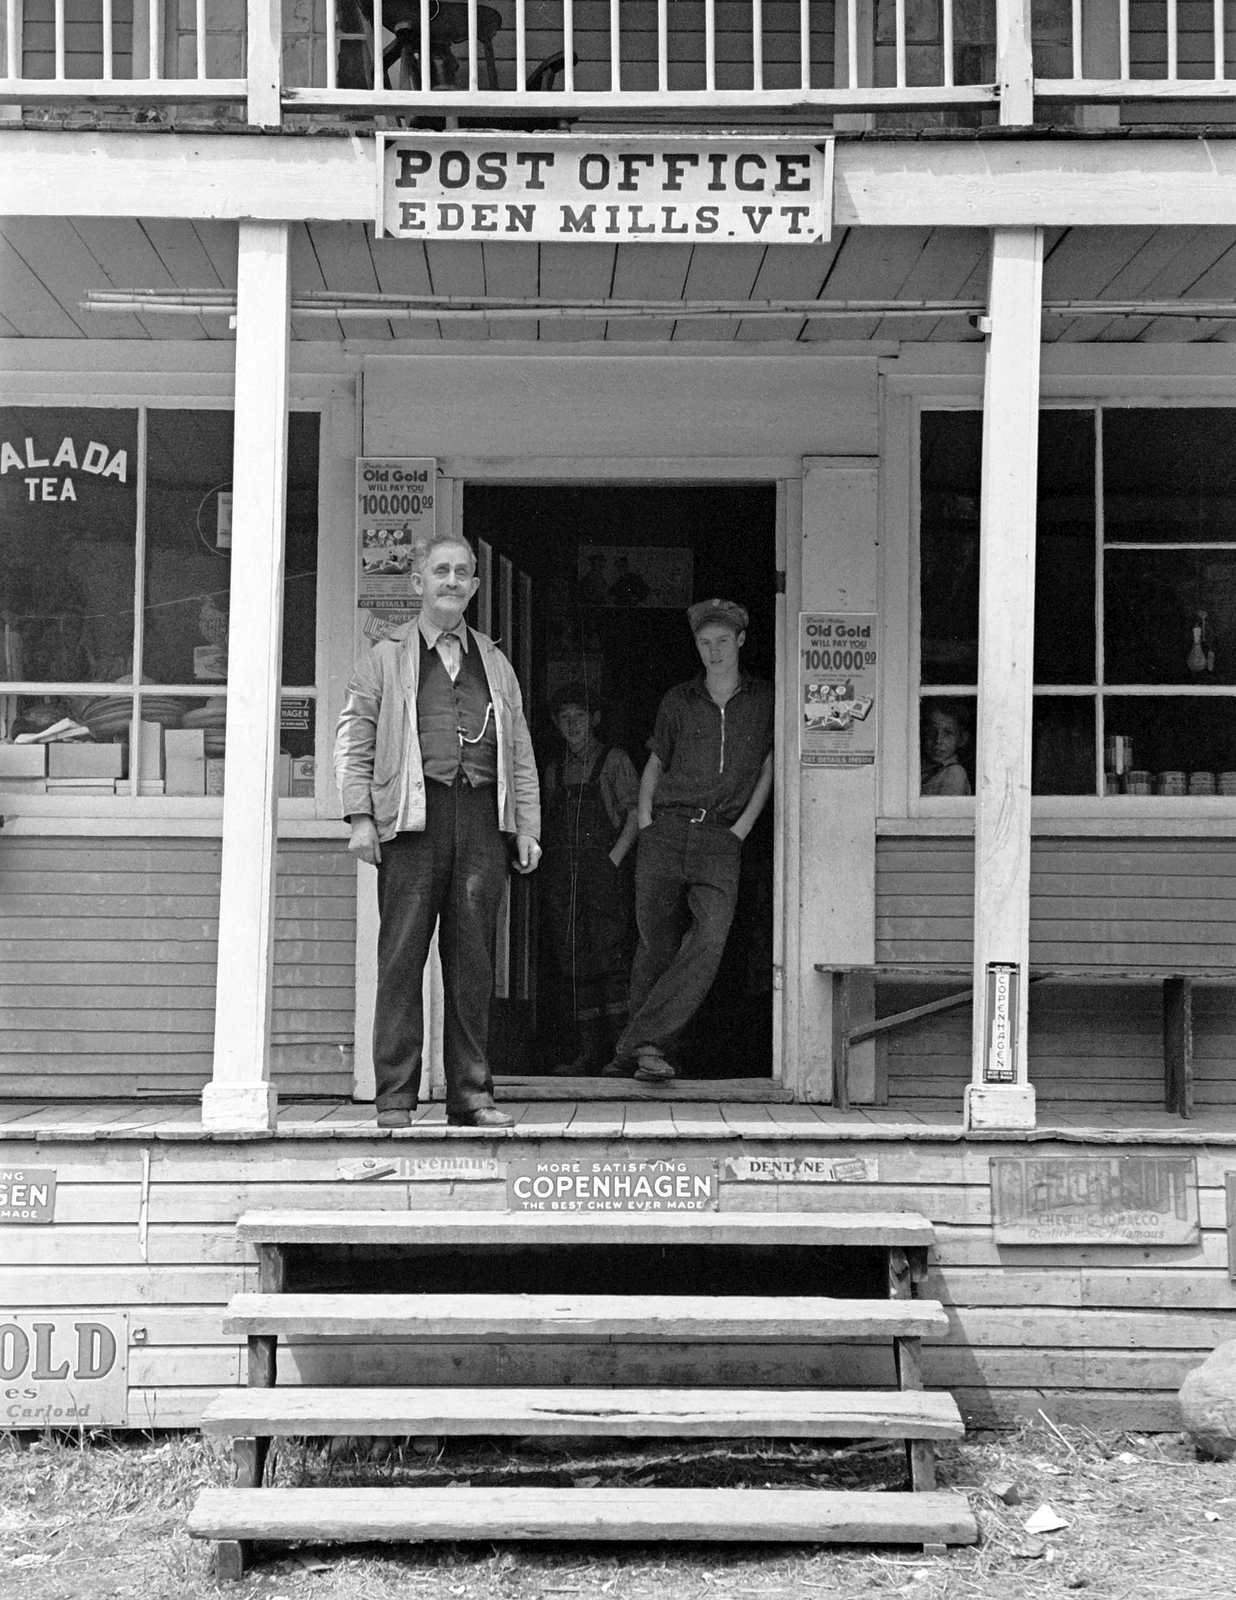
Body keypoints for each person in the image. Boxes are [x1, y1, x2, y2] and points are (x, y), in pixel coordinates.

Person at [334, 533, 541, 1129]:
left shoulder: (495, 663)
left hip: (480, 823)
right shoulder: (384, 656)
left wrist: (525, 826)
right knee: (400, 959)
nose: (451, 581)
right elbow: (355, 741)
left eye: (462, 573)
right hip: (411, 823)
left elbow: (520, 752)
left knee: (473, 964)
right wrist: (360, 818)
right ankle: (395, 1097)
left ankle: (472, 1096)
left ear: (475, 587)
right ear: (417, 583)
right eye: (440, 571)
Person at [606, 599, 775, 1084]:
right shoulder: (679, 699)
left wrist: (741, 828)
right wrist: (645, 817)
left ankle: (638, 1044)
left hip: (720, 837)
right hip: (666, 831)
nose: (714, 651)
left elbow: (768, 767)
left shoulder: (765, 700)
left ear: (740, 641)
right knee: (653, 945)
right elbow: (657, 762)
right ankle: (647, 1051)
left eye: (723, 641)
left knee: (709, 940)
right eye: (705, 643)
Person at [539, 682, 640, 1074]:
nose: (572, 724)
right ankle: (588, 1054)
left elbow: (634, 816)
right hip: (565, 878)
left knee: (611, 959)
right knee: (574, 961)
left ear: (594, 719)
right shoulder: (554, 770)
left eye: (579, 716)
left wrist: (613, 860)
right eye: (564, 718)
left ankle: (621, 1054)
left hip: (605, 875)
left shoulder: (614, 761)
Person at [920, 701, 972, 796]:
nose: (938, 740)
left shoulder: (954, 773)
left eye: (947, 733)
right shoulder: (925, 768)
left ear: (961, 740)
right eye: (932, 731)